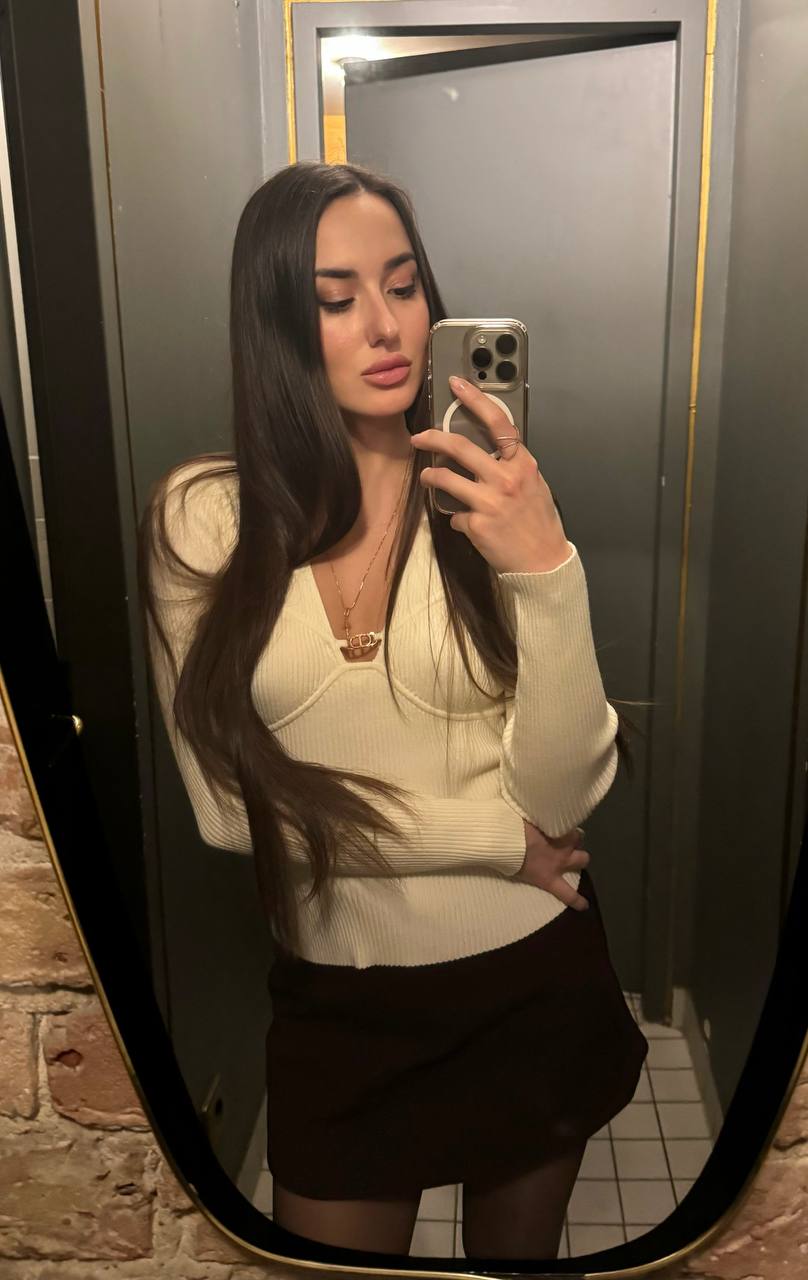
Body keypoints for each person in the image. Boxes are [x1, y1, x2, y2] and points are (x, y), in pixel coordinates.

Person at [139, 160, 649, 1261]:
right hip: (342, 1001)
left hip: (532, 979)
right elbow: (227, 811)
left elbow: (559, 797)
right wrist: (491, 842)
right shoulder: (201, 520)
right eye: (336, 299)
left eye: (405, 285)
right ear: (276, 325)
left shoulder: (489, 503)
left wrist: (547, 568)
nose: (387, 325)